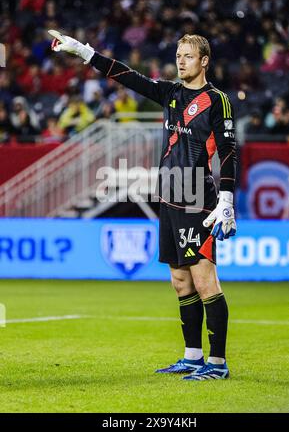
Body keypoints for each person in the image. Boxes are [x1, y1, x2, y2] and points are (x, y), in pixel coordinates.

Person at [49, 30, 237, 381]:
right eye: (178, 55)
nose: (181, 61)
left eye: (188, 56)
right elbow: (126, 75)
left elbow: (228, 152)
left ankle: (218, 364)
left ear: (204, 61)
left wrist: (226, 199)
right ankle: (193, 356)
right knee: (181, 281)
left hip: (197, 197)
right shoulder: (170, 93)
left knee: (204, 279)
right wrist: (83, 51)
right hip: (167, 194)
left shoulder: (217, 100)